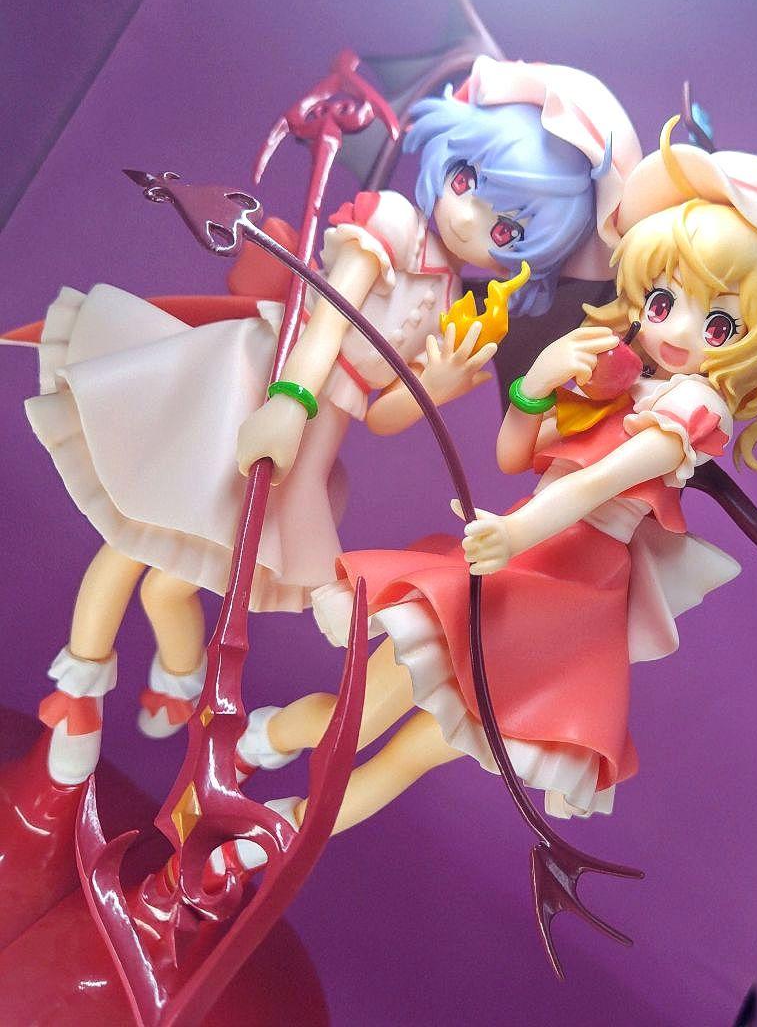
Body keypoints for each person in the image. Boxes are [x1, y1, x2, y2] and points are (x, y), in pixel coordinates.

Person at [228, 118, 757, 850]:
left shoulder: (698, 407)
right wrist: (536, 386)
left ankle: (271, 832)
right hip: (521, 566)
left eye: (720, 326)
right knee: (364, 714)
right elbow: (518, 455)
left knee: (408, 750)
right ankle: (261, 747)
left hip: (561, 592)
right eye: (664, 303)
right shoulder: (623, 379)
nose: (677, 332)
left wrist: (517, 530)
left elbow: (600, 484)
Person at [10, 56, 641, 786]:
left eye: (507, 228)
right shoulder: (393, 224)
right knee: (137, 535)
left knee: (180, 575)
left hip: (317, 431)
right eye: (467, 180)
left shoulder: (449, 304)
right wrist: (289, 402)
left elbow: (380, 415)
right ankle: (79, 695)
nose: (468, 217)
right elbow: (329, 325)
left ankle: (179, 678)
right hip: (256, 385)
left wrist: (433, 387)